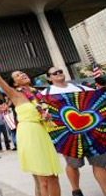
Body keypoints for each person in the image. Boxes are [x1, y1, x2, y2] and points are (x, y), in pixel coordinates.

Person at [0, 69, 62, 196]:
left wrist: (47, 117)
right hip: (29, 134)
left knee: (53, 176)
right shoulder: (14, 94)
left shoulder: (38, 95)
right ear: (14, 84)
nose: (22, 75)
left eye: (22, 73)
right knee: (43, 180)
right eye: (17, 75)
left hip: (43, 134)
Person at [43, 66, 106, 196]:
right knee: (73, 164)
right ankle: (76, 190)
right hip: (67, 137)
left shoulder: (81, 88)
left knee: (99, 163)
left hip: (93, 134)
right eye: (55, 73)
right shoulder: (45, 94)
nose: (59, 73)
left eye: (60, 71)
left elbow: (100, 98)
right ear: (49, 78)